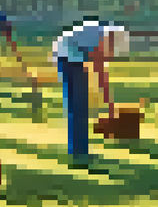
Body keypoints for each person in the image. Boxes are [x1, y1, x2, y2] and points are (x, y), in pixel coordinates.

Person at [51, 20, 128, 163]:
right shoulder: (98, 38)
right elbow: (100, 72)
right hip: (68, 59)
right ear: (109, 35)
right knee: (77, 106)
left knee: (80, 106)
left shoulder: (99, 36)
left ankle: (80, 151)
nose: (112, 45)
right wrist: (109, 102)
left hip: (72, 58)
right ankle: (79, 152)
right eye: (111, 41)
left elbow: (100, 67)